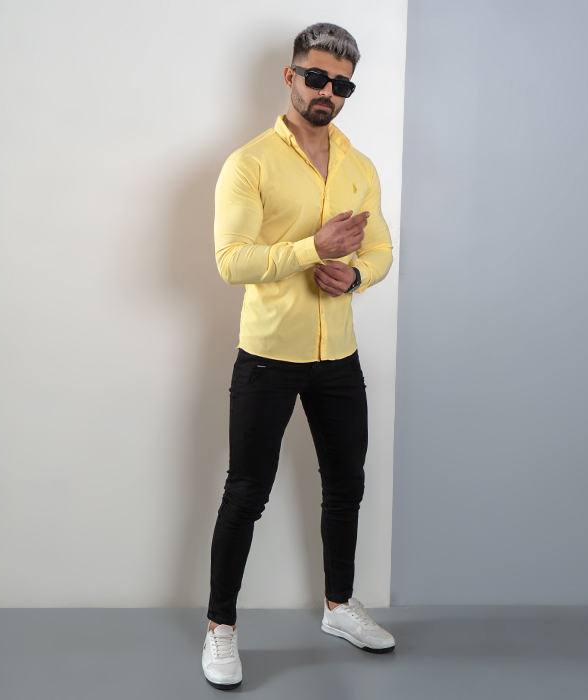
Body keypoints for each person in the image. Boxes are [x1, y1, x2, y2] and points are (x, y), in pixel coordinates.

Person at [201, 22, 395, 690]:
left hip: (338, 354)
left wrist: (356, 275)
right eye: (317, 78)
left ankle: (339, 607)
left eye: (342, 85)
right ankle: (220, 628)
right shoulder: (249, 163)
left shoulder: (359, 167)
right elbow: (231, 261)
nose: (328, 93)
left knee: (347, 485)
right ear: (291, 77)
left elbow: (380, 250)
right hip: (268, 355)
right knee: (246, 492)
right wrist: (315, 249)